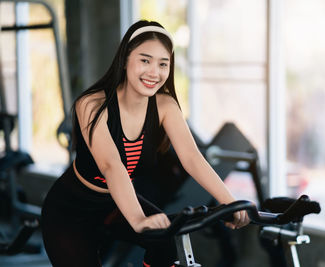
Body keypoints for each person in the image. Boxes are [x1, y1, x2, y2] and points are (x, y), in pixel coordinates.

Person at [41, 20, 250, 267]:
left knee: (163, 240)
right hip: (70, 212)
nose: (154, 72)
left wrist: (230, 201)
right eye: (145, 60)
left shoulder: (165, 106)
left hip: (112, 204)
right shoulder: (92, 105)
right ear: (125, 59)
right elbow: (111, 165)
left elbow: (192, 158)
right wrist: (139, 219)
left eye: (163, 64)